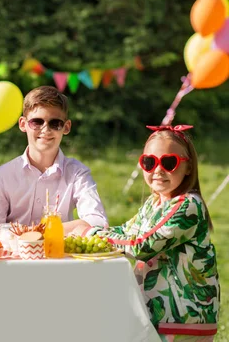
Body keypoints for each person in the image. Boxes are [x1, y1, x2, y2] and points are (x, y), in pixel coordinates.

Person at [78, 125, 219, 340]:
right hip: (159, 316)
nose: (158, 170)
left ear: (188, 166)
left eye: (169, 162)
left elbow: (141, 245)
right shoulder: (155, 202)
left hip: (184, 318)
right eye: (149, 162)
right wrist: (81, 229)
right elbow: (125, 231)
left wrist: (90, 233)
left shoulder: (188, 205)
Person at [0, 86, 108, 235]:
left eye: (55, 123)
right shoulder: (4, 175)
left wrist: (40, 232)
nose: (45, 130)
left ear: (66, 127)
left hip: (59, 255)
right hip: (14, 255)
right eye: (37, 122)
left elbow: (97, 221)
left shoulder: (77, 173)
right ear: (23, 124)